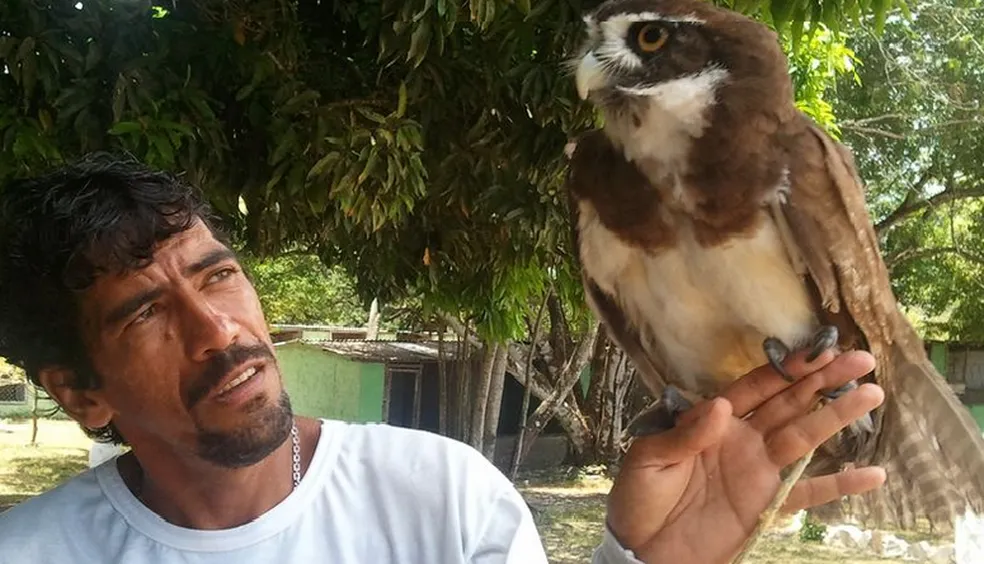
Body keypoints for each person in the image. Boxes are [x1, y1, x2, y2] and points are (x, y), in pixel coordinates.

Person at [0, 153, 886, 563]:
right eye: (147, 312)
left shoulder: (443, 497)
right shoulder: (32, 551)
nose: (219, 330)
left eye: (219, 275)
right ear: (78, 392)